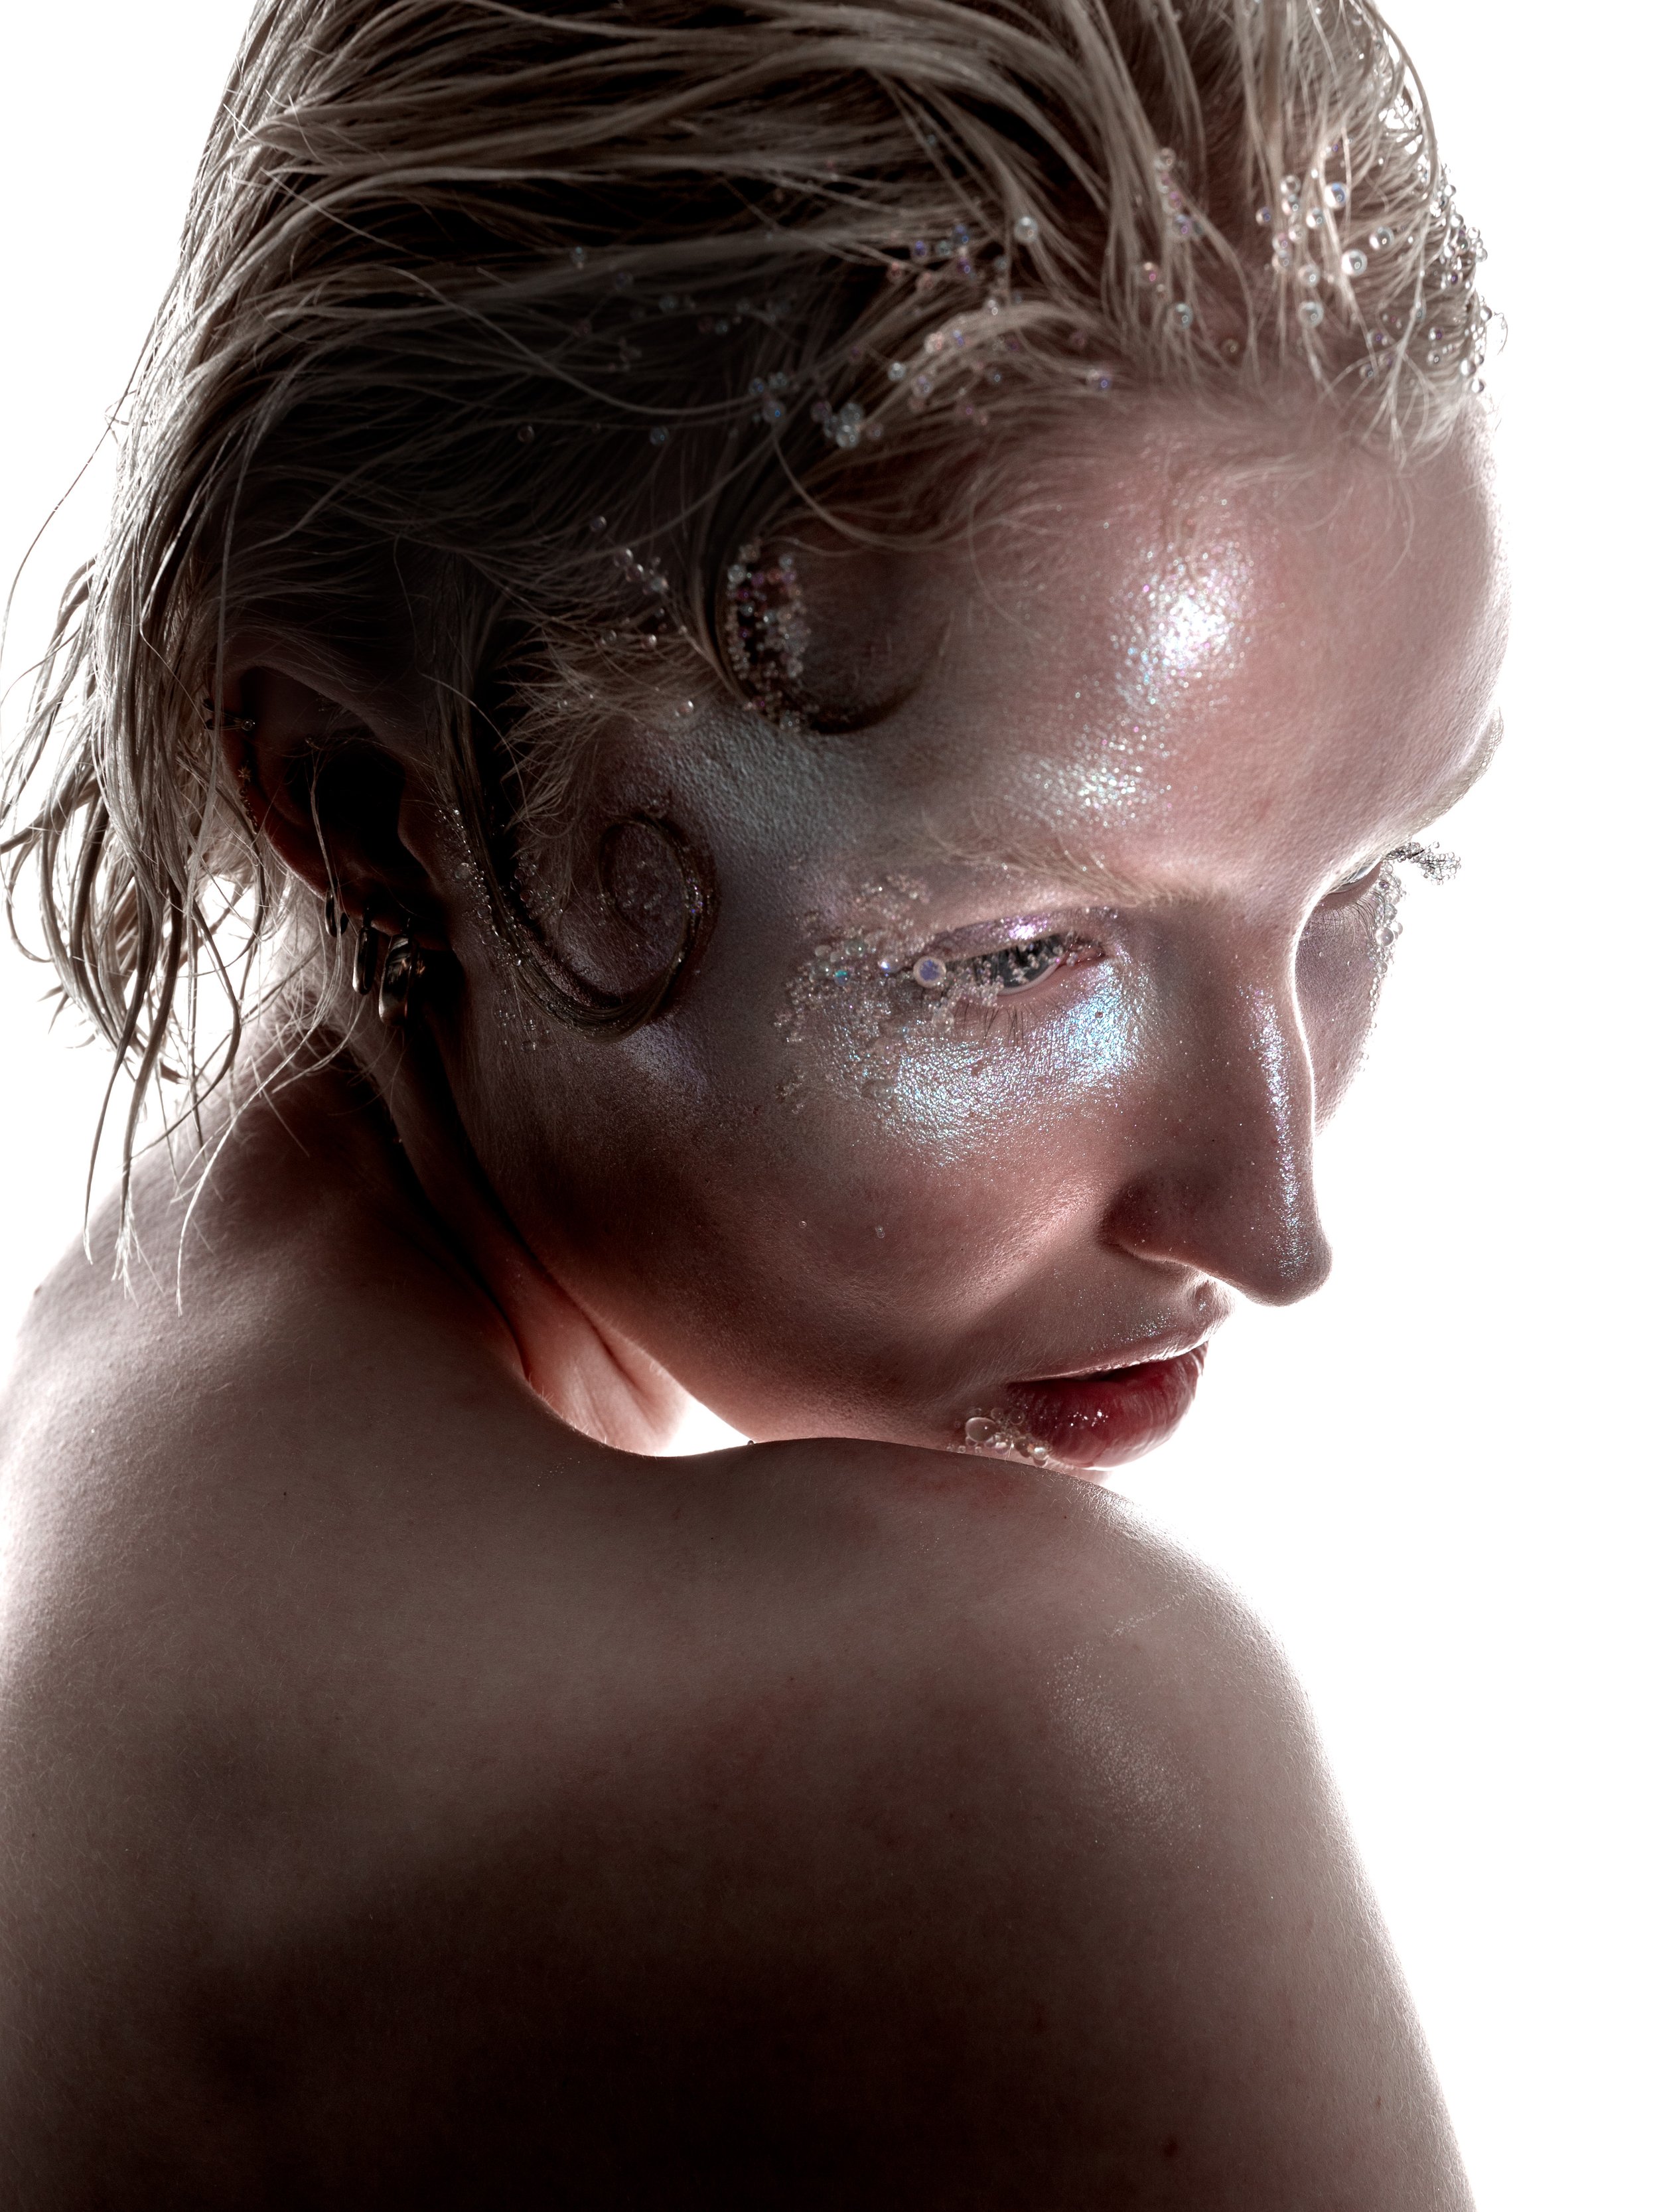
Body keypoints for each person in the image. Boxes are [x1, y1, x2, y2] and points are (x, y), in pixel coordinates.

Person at [0, 0, 1504, 2201]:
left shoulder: (108, 1416)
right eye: (1013, 953)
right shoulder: (1029, 1747)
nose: (1267, 1220)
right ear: (352, 796)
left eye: (1371, 879)